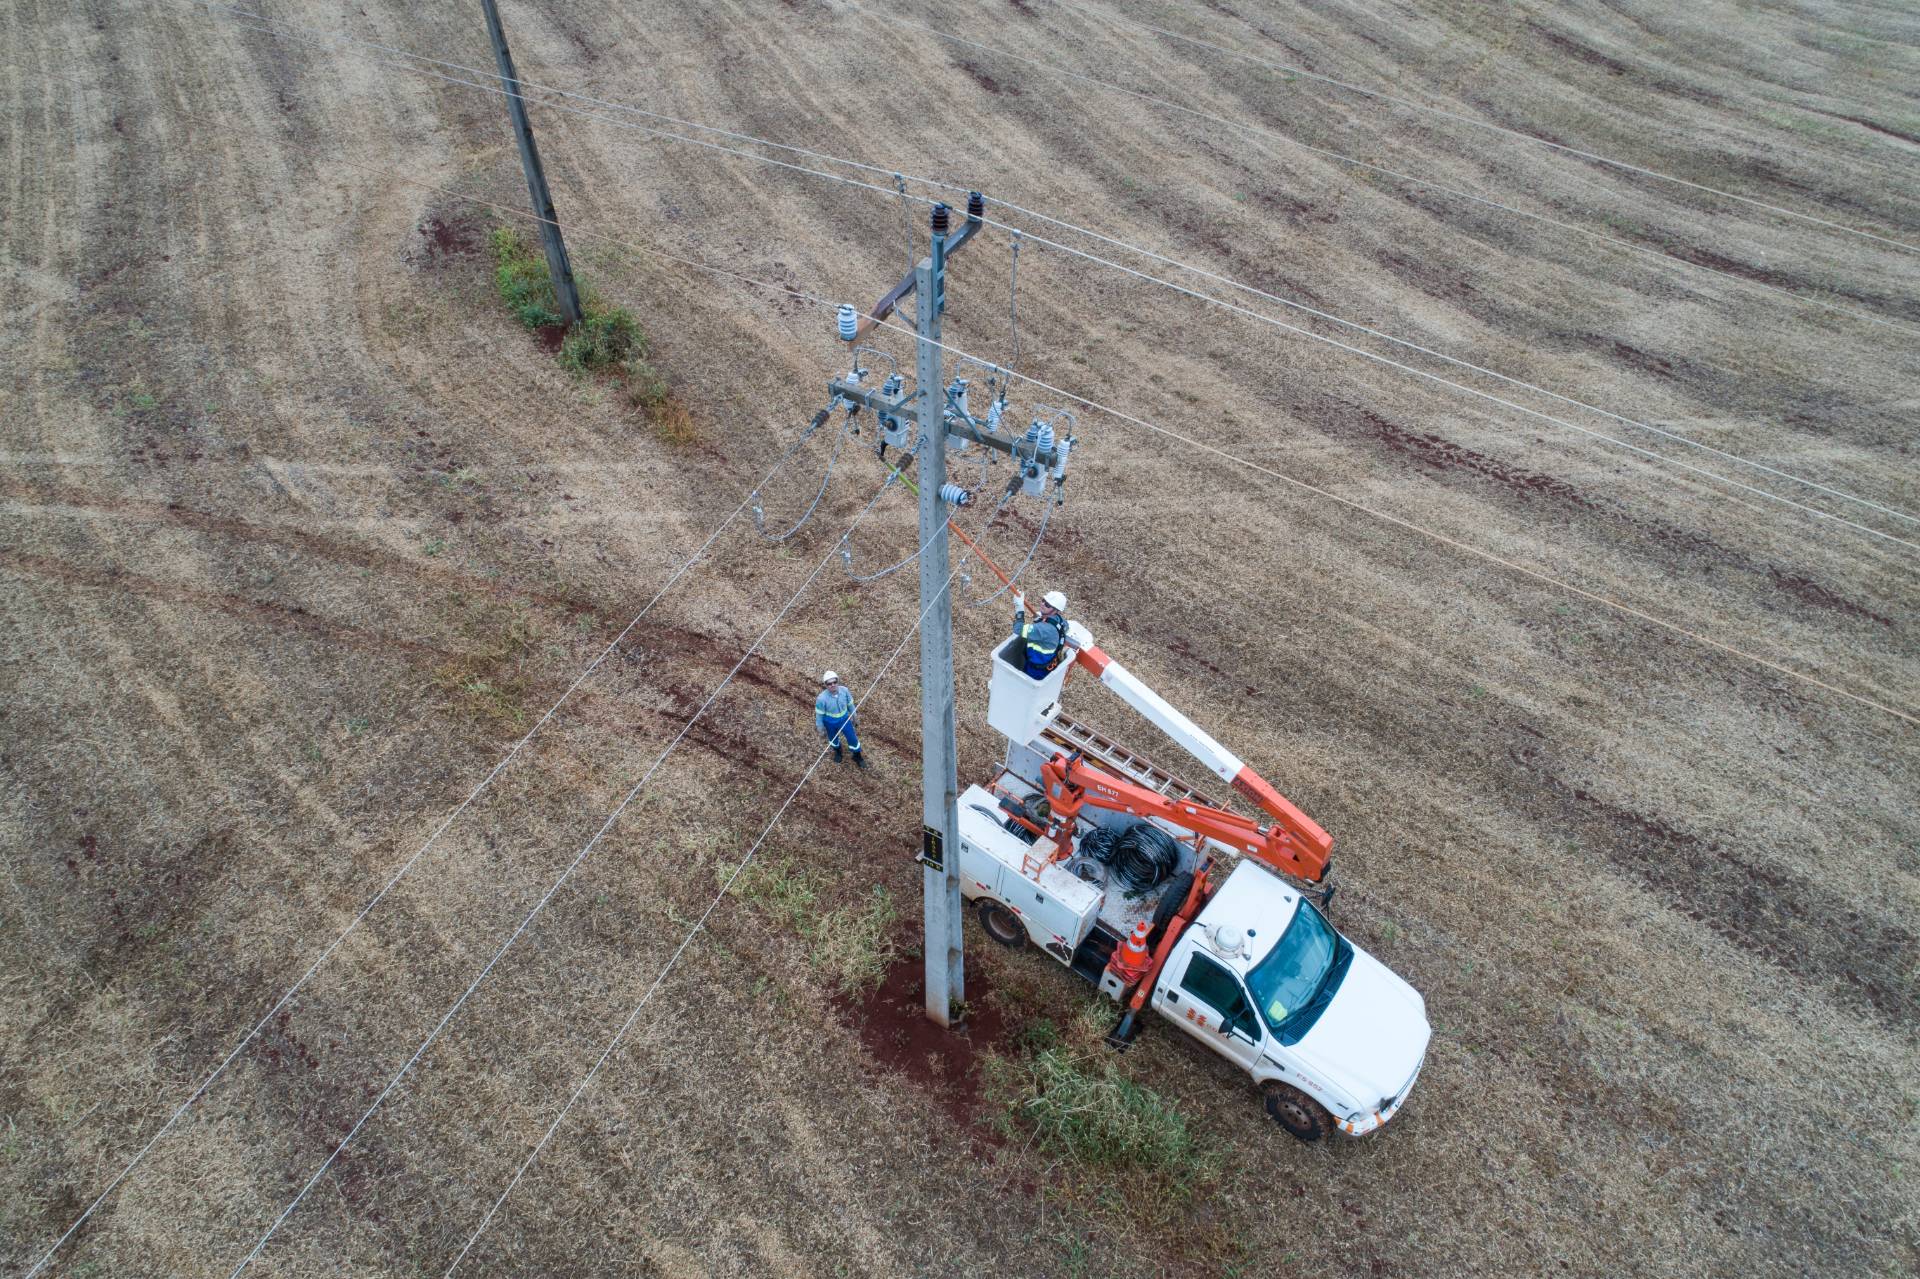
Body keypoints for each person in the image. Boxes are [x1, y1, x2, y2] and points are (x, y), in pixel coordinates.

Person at [1013, 589, 1076, 679]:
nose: (1043, 604)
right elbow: (1065, 626)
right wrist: (1042, 618)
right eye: (1043, 600)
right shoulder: (1060, 620)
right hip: (1049, 663)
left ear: (1056, 610)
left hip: (1036, 669)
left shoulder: (1043, 629)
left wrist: (1019, 609)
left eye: (1047, 605)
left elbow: (1017, 629)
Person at [814, 670, 866, 768]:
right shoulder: (821, 699)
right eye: (829, 684)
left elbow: (850, 704)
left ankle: (857, 756)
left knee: (852, 738)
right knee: (833, 739)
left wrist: (854, 716)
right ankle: (838, 752)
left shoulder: (845, 691)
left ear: (838, 681)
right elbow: (819, 715)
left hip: (845, 720)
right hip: (830, 722)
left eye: (835, 682)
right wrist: (820, 728)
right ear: (825, 685)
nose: (832, 685)